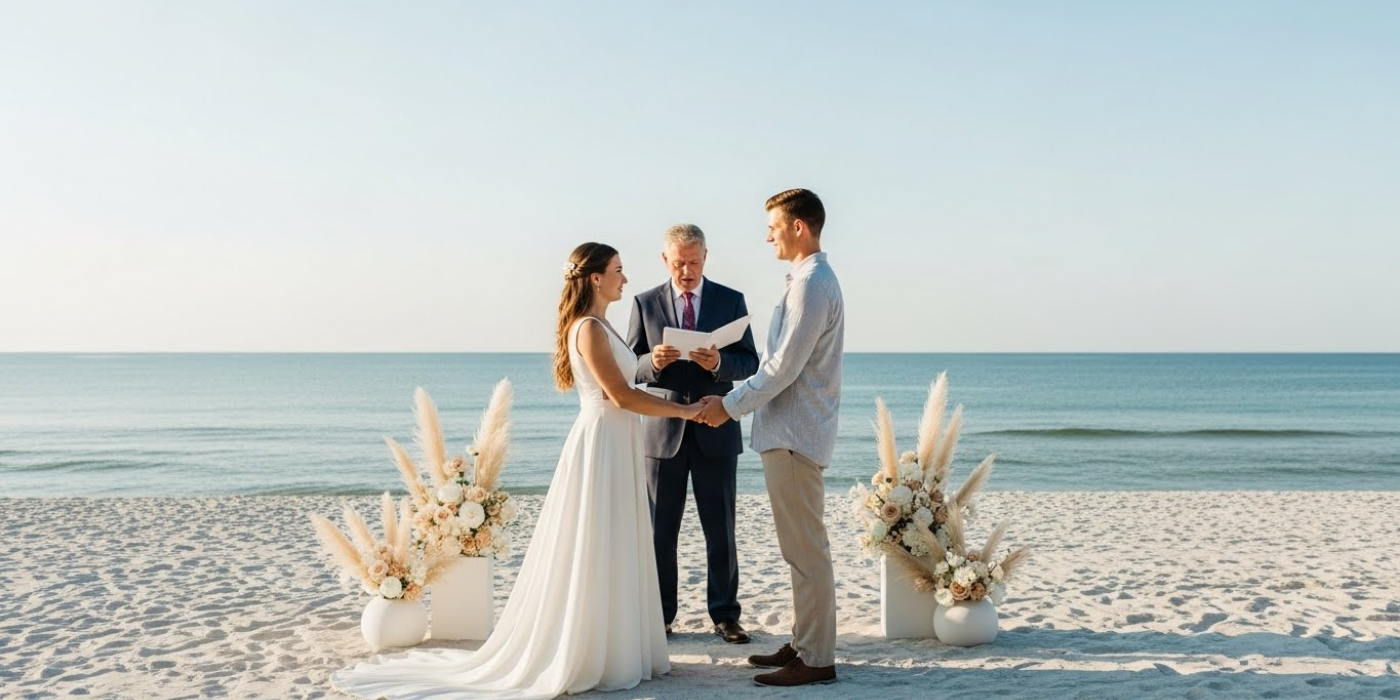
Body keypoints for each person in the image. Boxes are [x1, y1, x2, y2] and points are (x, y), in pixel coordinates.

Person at [333, 242, 703, 700]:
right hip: (603, 443)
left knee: (618, 538)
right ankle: (590, 649)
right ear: (595, 278)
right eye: (618, 270)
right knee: (596, 539)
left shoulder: (603, 325)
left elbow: (628, 387)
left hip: (619, 439)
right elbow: (621, 396)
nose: (625, 279)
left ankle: (618, 646)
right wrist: (686, 411)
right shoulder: (589, 328)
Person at [695, 189, 844, 687]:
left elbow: (781, 368)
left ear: (798, 227)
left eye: (773, 227)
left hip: (795, 435)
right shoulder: (807, 280)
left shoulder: (812, 285)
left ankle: (816, 659)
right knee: (799, 550)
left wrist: (729, 406)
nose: (767, 236)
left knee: (806, 551)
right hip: (790, 431)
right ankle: (804, 643)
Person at [625, 224, 759, 644]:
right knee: (660, 532)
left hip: (715, 427)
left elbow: (750, 363)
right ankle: (660, 616)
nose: (687, 271)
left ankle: (725, 615)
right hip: (662, 434)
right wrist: (653, 362)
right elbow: (630, 366)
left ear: (706, 257)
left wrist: (718, 364)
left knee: (720, 531)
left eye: (694, 262)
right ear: (665, 259)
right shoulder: (644, 302)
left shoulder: (730, 300)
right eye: (679, 263)